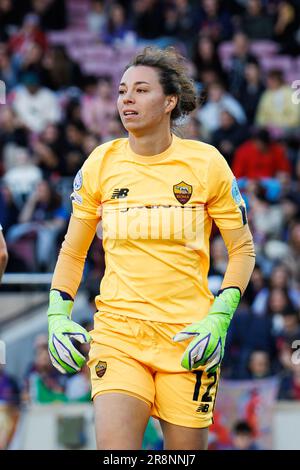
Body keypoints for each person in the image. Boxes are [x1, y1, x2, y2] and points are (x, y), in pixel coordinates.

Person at [47, 47, 255, 450]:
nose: (127, 99)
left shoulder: (206, 163)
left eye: (141, 90)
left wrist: (219, 318)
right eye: (122, 90)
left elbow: (243, 250)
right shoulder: (100, 164)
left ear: (169, 102)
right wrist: (58, 314)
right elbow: (73, 251)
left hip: (187, 338)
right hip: (119, 334)